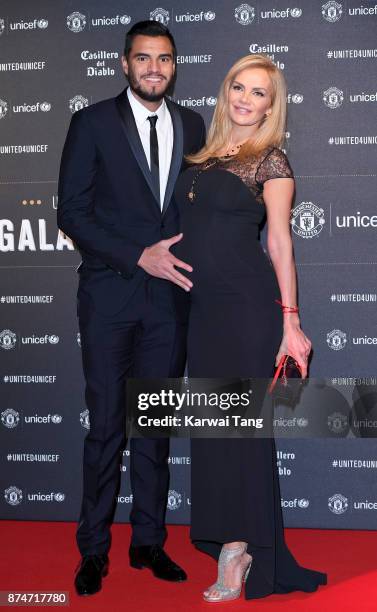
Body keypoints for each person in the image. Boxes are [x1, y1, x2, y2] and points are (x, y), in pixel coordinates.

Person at [57, 20, 205, 596]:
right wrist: (135, 256)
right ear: (124, 64)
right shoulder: (91, 122)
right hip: (109, 299)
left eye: (164, 59)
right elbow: (71, 211)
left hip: (171, 302)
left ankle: (149, 542)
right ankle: (93, 548)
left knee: (155, 428)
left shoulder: (192, 124)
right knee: (105, 429)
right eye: (143, 58)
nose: (154, 69)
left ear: (174, 66)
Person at [173, 54, 327, 602]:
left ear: (270, 105)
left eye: (258, 92)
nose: (245, 98)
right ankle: (229, 541)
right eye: (239, 86)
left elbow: (280, 242)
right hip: (205, 312)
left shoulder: (271, 161)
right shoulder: (202, 157)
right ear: (226, 91)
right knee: (213, 432)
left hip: (247, 308)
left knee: (239, 433)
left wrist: (291, 321)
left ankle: (240, 553)